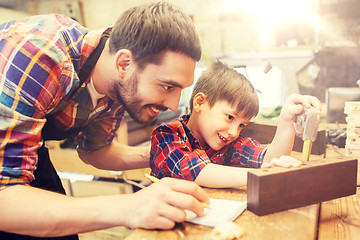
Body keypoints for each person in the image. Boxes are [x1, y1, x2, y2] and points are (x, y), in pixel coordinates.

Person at [0, 2, 210, 239]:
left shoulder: (117, 84)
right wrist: (130, 207)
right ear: (124, 63)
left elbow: (95, 151)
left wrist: (169, 154)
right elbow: (4, 197)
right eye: (167, 86)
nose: (173, 104)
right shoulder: (41, 56)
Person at [150, 61, 321, 188]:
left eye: (242, 125)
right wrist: (262, 175)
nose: (234, 132)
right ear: (200, 102)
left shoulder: (227, 144)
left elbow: (270, 158)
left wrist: (286, 121)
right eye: (230, 118)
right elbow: (199, 172)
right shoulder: (167, 136)